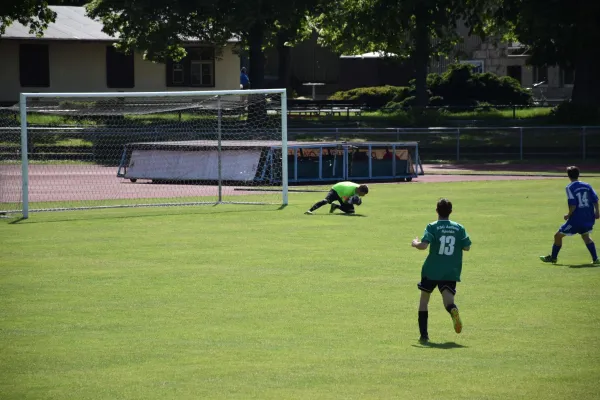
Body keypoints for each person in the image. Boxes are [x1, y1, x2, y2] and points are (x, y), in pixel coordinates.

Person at [411, 198, 471, 343]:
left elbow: (424, 246)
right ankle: (453, 311)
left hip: (431, 269)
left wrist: (415, 243)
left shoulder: (432, 227)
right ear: (450, 212)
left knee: (424, 300)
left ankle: (424, 335)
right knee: (448, 302)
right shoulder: (459, 228)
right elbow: (467, 247)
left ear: (437, 210)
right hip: (450, 270)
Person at [540, 166, 600, 264]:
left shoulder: (569, 187)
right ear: (578, 174)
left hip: (576, 219)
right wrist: (597, 212)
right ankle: (595, 259)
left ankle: (553, 258)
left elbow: (573, 204)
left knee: (558, 236)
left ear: (568, 176)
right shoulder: (587, 185)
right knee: (586, 236)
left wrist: (568, 215)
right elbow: (595, 200)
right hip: (588, 216)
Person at [304, 181, 368, 215]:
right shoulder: (348, 191)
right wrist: (352, 201)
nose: (363, 195)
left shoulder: (358, 189)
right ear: (360, 190)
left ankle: (335, 206)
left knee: (351, 211)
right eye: (363, 194)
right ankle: (309, 211)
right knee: (326, 201)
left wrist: (357, 202)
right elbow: (345, 201)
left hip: (343, 192)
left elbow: (354, 199)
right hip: (336, 189)